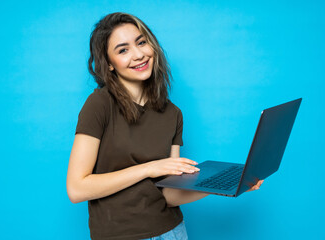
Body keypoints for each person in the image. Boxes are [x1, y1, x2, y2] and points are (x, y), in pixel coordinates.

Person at [66, 12, 264, 240]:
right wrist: (148, 168)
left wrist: (226, 185)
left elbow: (169, 194)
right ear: (109, 63)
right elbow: (77, 188)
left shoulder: (172, 113)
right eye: (123, 50)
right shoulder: (99, 104)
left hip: (172, 232)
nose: (139, 55)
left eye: (141, 42)